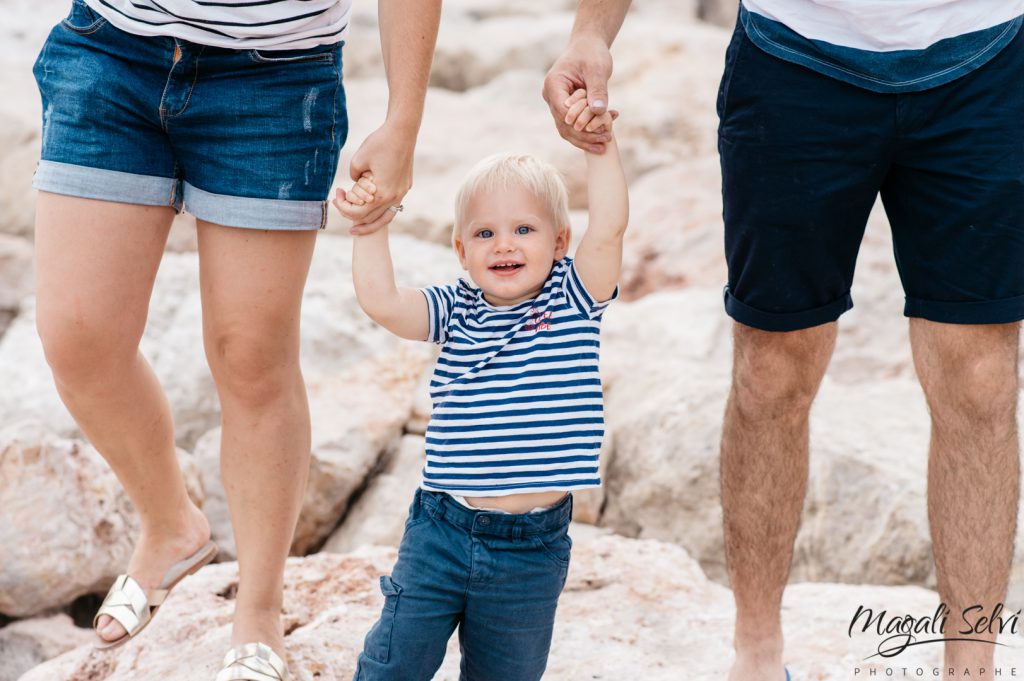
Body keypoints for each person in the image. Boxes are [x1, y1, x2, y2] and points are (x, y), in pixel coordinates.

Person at [543, 1, 1024, 679]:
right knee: (769, 371)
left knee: (981, 380)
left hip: (985, 57)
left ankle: (971, 668)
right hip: (795, 58)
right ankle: (758, 656)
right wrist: (590, 33)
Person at [30, 0, 440, 677]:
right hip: (112, 48)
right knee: (78, 338)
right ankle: (171, 527)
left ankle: (258, 608)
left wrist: (403, 121)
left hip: (276, 78)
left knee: (252, 358)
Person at [334, 89, 627, 680]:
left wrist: (599, 146)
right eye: (486, 234)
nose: (506, 244)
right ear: (462, 250)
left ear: (560, 244)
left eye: (524, 228)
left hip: (531, 548)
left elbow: (612, 227)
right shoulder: (456, 307)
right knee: (391, 666)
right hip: (441, 529)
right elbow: (385, 305)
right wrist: (369, 231)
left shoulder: (573, 297)